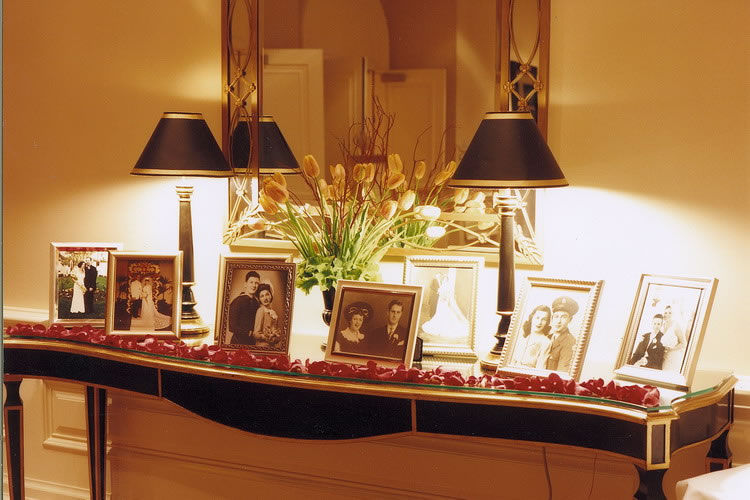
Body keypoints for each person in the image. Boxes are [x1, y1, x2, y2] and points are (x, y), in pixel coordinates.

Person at [419, 270, 470, 345]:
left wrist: (443, 296)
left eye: (446, 279)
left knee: (445, 314)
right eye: (444, 279)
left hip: (444, 303)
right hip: (440, 303)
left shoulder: (447, 287)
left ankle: (445, 325)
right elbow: (440, 291)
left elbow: (446, 296)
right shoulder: (442, 285)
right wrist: (440, 292)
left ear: (447, 280)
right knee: (439, 313)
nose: (444, 280)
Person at [544, 296, 579, 372]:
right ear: (552, 318)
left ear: (570, 319)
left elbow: (561, 374)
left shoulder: (570, 343)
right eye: (556, 316)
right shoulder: (547, 337)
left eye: (563, 317)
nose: (558, 321)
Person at [228, 271, 260, 345]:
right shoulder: (237, 301)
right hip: (238, 342)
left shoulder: (256, 303)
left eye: (256, 283)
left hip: (252, 342)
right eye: (251, 282)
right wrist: (249, 333)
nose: (254, 285)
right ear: (245, 284)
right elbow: (232, 327)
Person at [253, 283, 281, 347]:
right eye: (262, 296)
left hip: (271, 347)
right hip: (261, 347)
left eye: (267, 294)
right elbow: (256, 334)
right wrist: (268, 337)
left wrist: (275, 337)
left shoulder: (273, 312)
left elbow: (276, 333)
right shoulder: (261, 311)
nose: (265, 298)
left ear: (271, 295)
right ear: (259, 299)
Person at [661, 305, 687, 372]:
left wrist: (672, 349)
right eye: (665, 313)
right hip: (663, 357)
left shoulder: (676, 325)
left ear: (673, 314)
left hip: (673, 356)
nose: (667, 315)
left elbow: (683, 343)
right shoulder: (662, 326)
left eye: (670, 313)